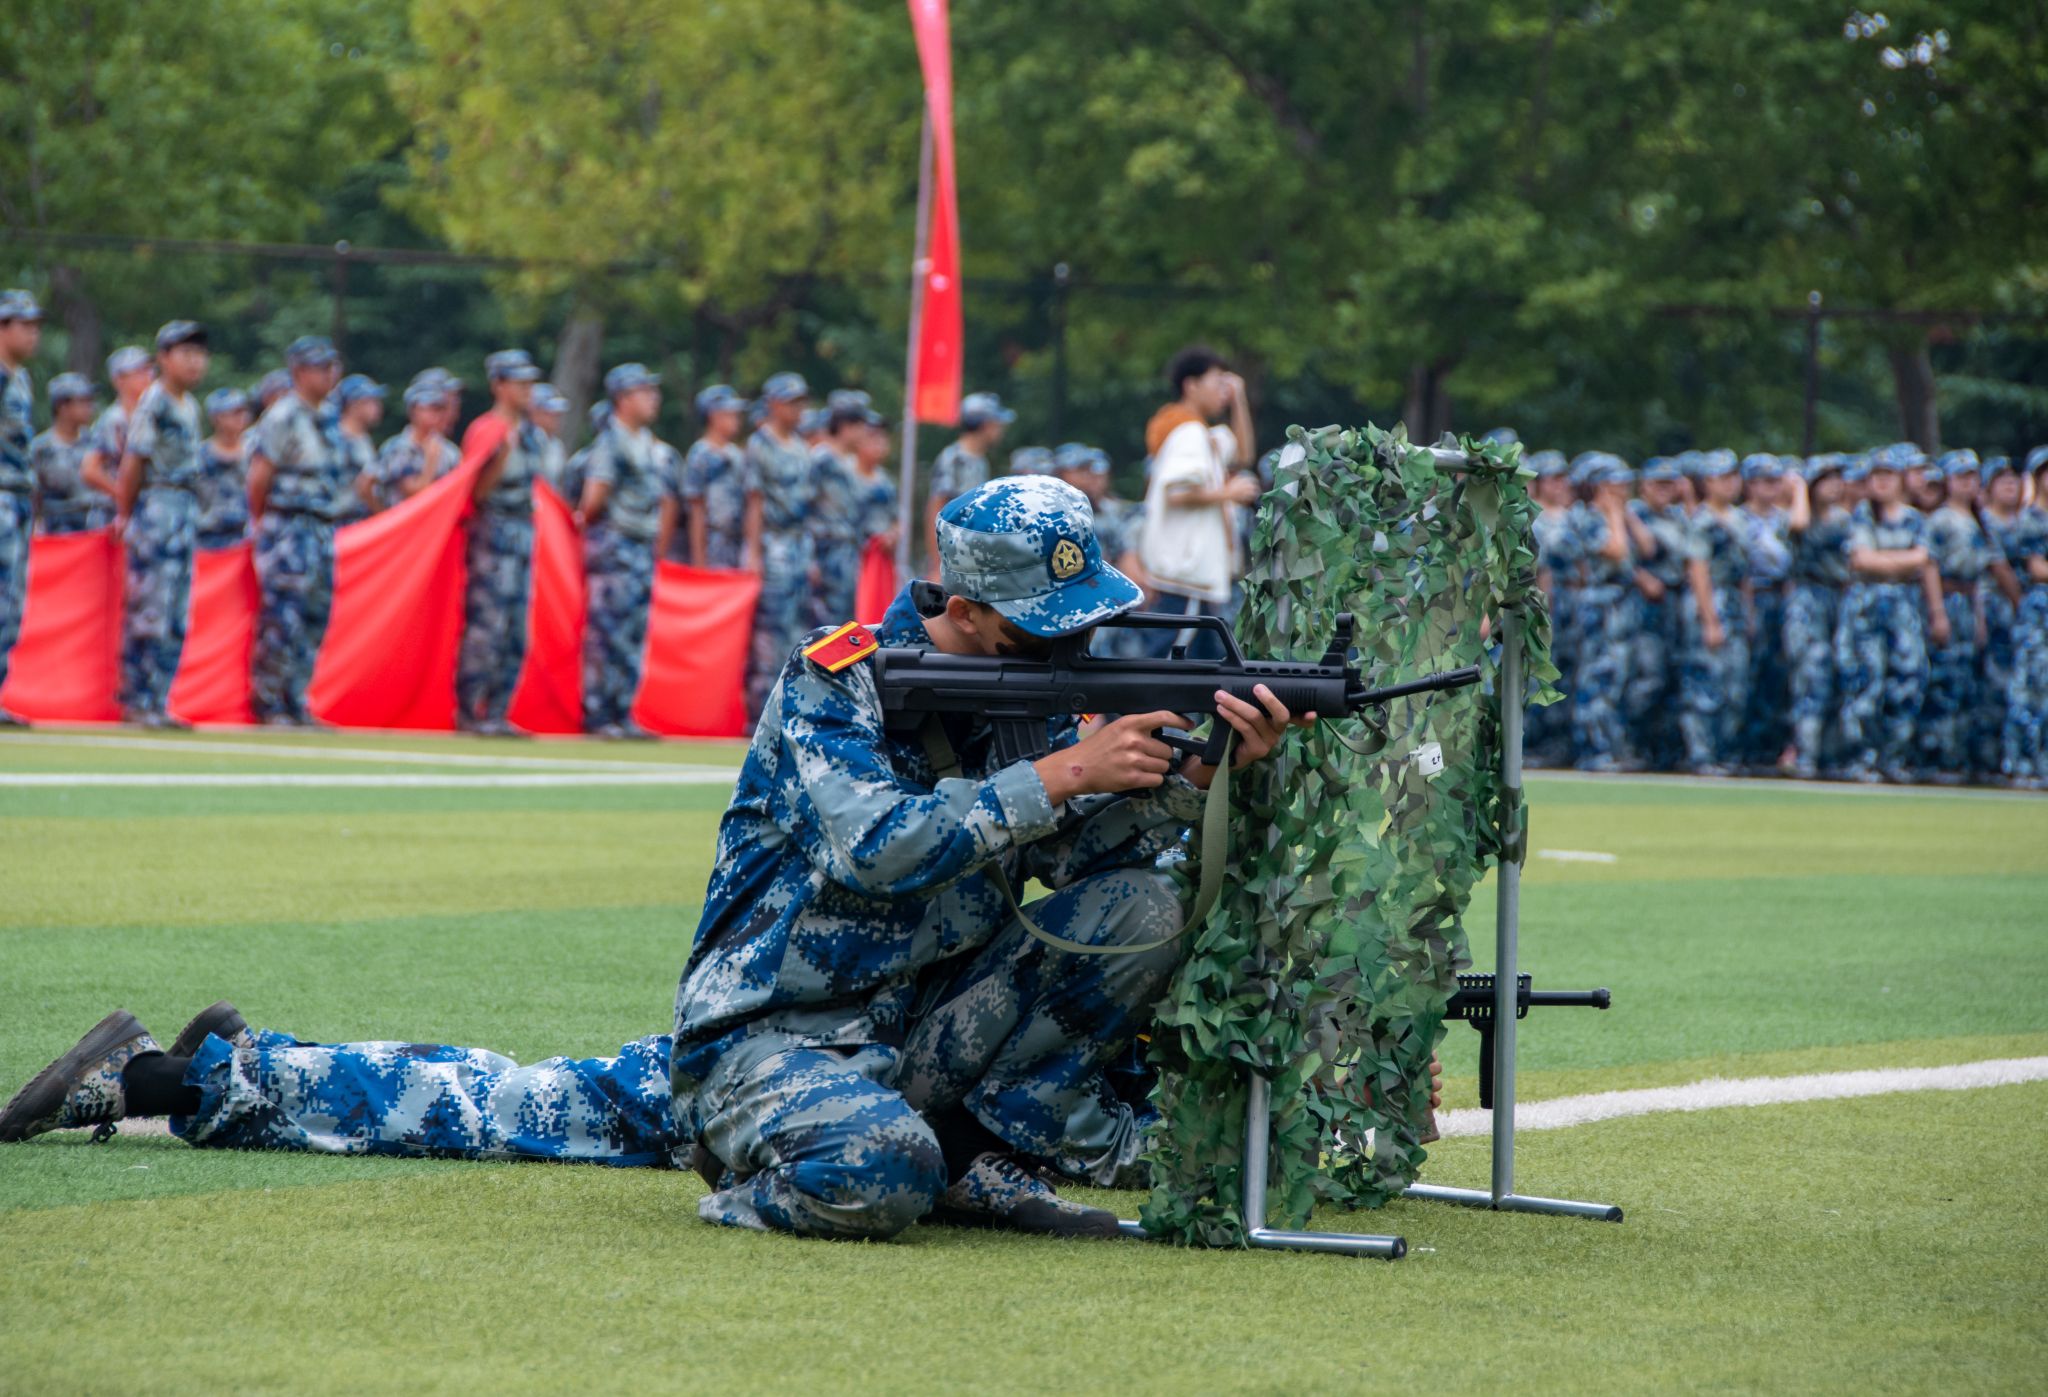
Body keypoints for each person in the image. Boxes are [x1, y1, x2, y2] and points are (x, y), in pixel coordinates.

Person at [670, 474, 1311, 1242]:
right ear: (964, 612)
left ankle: (983, 1145)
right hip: (776, 1033)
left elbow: (1074, 858)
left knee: (1140, 905)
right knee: (885, 1168)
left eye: (1084, 626)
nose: (1069, 652)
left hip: (920, 1027)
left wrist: (1196, 776)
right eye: (1042, 632)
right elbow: (874, 847)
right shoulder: (837, 678)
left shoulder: (1024, 696)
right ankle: (750, 1168)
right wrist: (1067, 771)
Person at [112, 321, 212, 728]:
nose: (195, 362)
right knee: (150, 606)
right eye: (185, 353)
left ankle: (159, 699)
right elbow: (133, 462)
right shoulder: (155, 401)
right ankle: (139, 700)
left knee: (175, 610)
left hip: (184, 507)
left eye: (199, 354)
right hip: (158, 504)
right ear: (164, 358)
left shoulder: (189, 405)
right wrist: (125, 512)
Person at [246, 335, 349, 727]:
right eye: (320, 368)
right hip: (288, 526)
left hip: (321, 526)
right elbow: (259, 477)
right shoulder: (283, 416)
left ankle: (297, 698)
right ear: (298, 372)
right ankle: (269, 701)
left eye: (332, 367)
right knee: (283, 616)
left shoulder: (330, 416)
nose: (329, 375)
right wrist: (264, 523)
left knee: (314, 616)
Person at [1136, 347, 1258, 660]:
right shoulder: (1188, 432)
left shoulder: (1201, 433)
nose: (1223, 391)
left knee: (1194, 669)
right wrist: (1228, 493)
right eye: (1217, 382)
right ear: (1191, 385)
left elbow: (1243, 454)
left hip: (1191, 583)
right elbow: (1177, 492)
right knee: (1170, 667)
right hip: (1184, 579)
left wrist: (1238, 399)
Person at [452, 350, 548, 736]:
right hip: (492, 534)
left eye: (530, 382)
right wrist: (499, 459)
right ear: (499, 386)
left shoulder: (533, 434)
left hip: (522, 533)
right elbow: (473, 493)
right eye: (519, 382)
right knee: (486, 626)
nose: (527, 389)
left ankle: (496, 710)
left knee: (515, 630)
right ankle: (470, 711)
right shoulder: (487, 430)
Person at [577, 363, 675, 739]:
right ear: (623, 398)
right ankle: (599, 713)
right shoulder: (612, 441)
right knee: (608, 631)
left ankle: (622, 711)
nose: (654, 398)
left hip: (639, 547)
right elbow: (594, 498)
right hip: (616, 546)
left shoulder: (646, 442)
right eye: (644, 391)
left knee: (633, 632)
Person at [1835, 444, 1938, 783]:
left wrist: (1886, 561)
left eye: (1888, 475)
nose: (1881, 482)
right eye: (1876, 475)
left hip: (1905, 608)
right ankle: (1862, 757)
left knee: (1908, 678)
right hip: (1866, 608)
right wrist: (1902, 561)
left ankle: (1894, 757)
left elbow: (1924, 560)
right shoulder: (1862, 515)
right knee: (1866, 680)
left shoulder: (1916, 519)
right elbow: (1862, 560)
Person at [1918, 451, 2008, 782]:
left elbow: (1986, 573)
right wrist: (1937, 611)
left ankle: (1962, 757)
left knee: (1969, 679)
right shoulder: (1940, 519)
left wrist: (1980, 617)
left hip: (1971, 600)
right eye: (1961, 477)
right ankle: (1939, 756)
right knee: (1944, 677)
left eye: (1973, 477)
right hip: (1948, 596)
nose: (1967, 484)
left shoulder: (1980, 521)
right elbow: (1929, 566)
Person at [744, 372, 817, 722]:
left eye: (801, 402)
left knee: (796, 627)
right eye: (791, 402)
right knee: (769, 630)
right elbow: (755, 501)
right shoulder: (760, 444)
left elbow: (808, 506)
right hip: (773, 542)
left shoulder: (802, 446)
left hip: (799, 543)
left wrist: (811, 554)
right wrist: (753, 552)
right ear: (772, 403)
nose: (798, 409)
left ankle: (788, 705)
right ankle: (760, 711)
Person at [1678, 451, 1749, 776]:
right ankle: (1702, 754)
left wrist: (1748, 612)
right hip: (1711, 601)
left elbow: (1744, 572)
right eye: (1722, 478)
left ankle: (1726, 752)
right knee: (1705, 680)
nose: (1729, 484)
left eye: (1733, 477)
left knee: (1735, 683)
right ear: (1707, 483)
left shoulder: (1740, 518)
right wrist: (1710, 621)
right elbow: (1698, 572)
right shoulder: (1702, 520)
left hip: (1734, 602)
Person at [1783, 455, 1854, 778]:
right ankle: (1805, 753)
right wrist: (1799, 490)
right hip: (1808, 597)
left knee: (1841, 674)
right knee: (1811, 674)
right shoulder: (1800, 515)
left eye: (1838, 479)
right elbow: (1797, 527)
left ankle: (1831, 754)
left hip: (1838, 597)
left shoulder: (1844, 519)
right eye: (1826, 480)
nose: (1835, 486)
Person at [1621, 457, 1694, 772]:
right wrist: (1641, 577)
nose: (1664, 490)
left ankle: (1663, 752)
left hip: (1675, 605)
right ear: (1644, 486)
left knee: (1673, 677)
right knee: (1648, 678)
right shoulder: (1633, 514)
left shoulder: (1679, 517)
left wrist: (1688, 496)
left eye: (1670, 484)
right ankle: (1629, 742)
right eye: (1658, 484)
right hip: (1645, 607)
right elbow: (1624, 559)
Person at [1570, 455, 1638, 771]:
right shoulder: (1589, 518)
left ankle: (1610, 746)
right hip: (1598, 604)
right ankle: (1593, 750)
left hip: (1618, 605)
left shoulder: (1617, 516)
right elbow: (1617, 551)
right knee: (1596, 677)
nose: (1625, 488)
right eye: (1617, 483)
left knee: (1614, 678)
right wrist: (1613, 513)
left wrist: (1621, 513)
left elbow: (1647, 548)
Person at [0, 290, 44, 728]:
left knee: (10, 604)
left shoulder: (21, 378)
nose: (33, 334)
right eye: (24, 325)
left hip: (16, 498)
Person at [1737, 453, 1794, 771]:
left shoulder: (1783, 520)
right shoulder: (1740, 519)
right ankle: (1748, 748)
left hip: (1781, 598)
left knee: (1779, 675)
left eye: (1776, 481)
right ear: (1750, 485)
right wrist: (1747, 615)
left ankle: (1772, 748)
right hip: (1753, 597)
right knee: (1751, 674)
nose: (1772, 488)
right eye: (1765, 481)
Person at [1525, 451, 1579, 767]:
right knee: (1538, 677)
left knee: (1568, 677)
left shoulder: (1574, 517)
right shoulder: (1533, 518)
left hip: (1576, 607)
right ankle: (1531, 746)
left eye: (1563, 478)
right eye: (1553, 478)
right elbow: (1539, 572)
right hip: (1545, 606)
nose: (1561, 484)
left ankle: (1560, 747)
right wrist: (1543, 614)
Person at [924, 391, 1015, 568]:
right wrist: (936, 564)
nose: (1000, 429)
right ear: (984, 425)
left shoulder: (981, 461)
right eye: (997, 424)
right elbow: (935, 509)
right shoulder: (953, 459)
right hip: (951, 556)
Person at [1977, 457, 2027, 779]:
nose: (2009, 484)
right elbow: (1998, 567)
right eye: (2001, 479)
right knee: (1992, 684)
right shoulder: (1982, 521)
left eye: (2014, 478)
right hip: (1996, 607)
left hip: (2026, 610)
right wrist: (2023, 602)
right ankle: (1990, 760)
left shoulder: (2027, 520)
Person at [2001, 448, 2048, 787]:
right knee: (2029, 685)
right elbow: (2036, 569)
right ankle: (2021, 761)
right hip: (2039, 608)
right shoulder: (2031, 519)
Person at [677, 384, 758, 570]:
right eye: (731, 414)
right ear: (714, 416)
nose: (737, 420)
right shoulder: (700, 454)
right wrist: (699, 560)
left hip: (737, 543)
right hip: (713, 541)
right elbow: (696, 511)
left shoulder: (737, 455)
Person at [805, 401, 872, 627]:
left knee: (845, 621)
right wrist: (810, 558)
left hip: (848, 553)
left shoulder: (851, 462)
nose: (864, 432)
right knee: (824, 623)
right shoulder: (821, 459)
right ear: (845, 427)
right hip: (825, 553)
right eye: (860, 426)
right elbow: (805, 509)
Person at [359, 371, 458, 513]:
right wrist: (382, 515)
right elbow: (414, 495)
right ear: (413, 410)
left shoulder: (450, 451)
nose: (438, 414)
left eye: (441, 408)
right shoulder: (398, 448)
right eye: (432, 407)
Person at [29, 373, 110, 535]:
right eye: (83, 401)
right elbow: (32, 495)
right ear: (62, 406)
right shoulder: (41, 448)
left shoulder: (97, 443)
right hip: (58, 532)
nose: (90, 407)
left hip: (96, 529)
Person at [77, 345, 153, 505]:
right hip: (114, 510)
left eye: (149, 370)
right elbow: (89, 469)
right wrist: (120, 495)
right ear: (119, 380)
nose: (148, 376)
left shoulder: (151, 414)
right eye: (139, 372)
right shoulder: (113, 420)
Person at [194, 388, 253, 550]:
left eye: (243, 411)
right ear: (216, 418)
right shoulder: (200, 456)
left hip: (247, 539)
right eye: (234, 413)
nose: (241, 417)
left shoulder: (255, 452)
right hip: (210, 540)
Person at [528, 383, 569, 495]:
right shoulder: (527, 439)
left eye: (558, 414)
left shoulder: (557, 445)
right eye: (550, 412)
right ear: (534, 412)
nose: (556, 417)